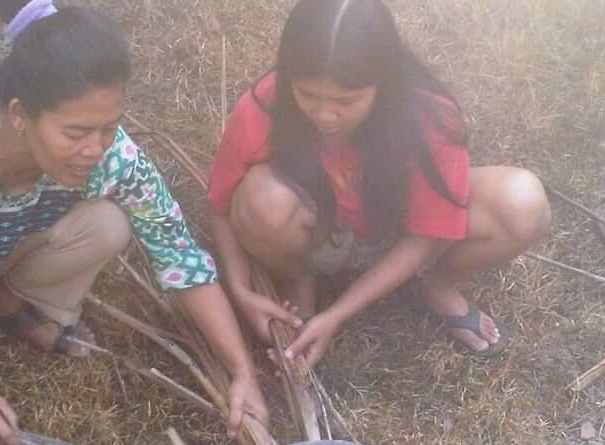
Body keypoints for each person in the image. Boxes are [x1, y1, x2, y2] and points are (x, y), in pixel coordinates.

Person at [0, 0, 268, 445]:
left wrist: (243, 372)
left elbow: (178, 254)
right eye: (76, 133)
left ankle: (0, 300)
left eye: (109, 128)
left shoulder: (110, 156)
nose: (95, 149)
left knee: (108, 223)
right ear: (19, 114)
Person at [207, 0, 551, 368]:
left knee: (523, 203)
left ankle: (434, 283)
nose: (324, 115)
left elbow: (426, 236)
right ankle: (299, 281)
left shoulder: (430, 117)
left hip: (400, 233)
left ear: (383, 84)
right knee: (261, 198)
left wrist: (338, 313)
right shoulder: (266, 103)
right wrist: (240, 290)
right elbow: (220, 205)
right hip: (318, 230)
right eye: (307, 94)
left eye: (346, 100)